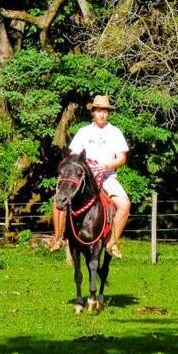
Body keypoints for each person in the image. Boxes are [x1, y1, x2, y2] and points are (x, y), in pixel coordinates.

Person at [51, 95, 131, 258]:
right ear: (92, 112)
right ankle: (58, 237)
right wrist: (79, 169)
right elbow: (74, 156)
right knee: (58, 199)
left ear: (108, 113)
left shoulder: (115, 133)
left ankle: (112, 242)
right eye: (99, 111)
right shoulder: (83, 132)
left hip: (108, 176)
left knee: (124, 205)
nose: (102, 114)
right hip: (84, 176)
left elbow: (122, 158)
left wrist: (107, 166)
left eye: (105, 111)